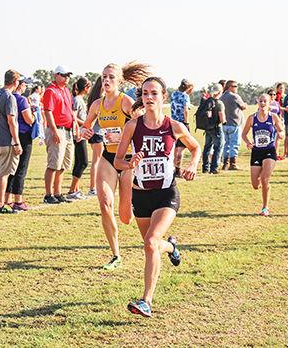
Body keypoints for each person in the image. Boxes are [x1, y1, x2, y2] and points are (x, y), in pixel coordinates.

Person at [114, 76, 201, 318]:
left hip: (166, 194)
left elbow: (195, 147)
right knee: (152, 245)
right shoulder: (133, 126)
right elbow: (118, 161)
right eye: (145, 93)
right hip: (141, 195)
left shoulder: (174, 126)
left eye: (154, 93)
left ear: (163, 97)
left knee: (151, 241)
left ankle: (146, 301)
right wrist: (130, 162)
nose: (149, 98)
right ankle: (171, 246)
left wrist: (193, 165)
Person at [80, 62, 150, 270]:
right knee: (105, 205)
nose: (106, 81)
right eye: (104, 77)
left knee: (126, 216)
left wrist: (121, 135)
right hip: (108, 159)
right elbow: (85, 128)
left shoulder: (125, 102)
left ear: (119, 80)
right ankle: (116, 255)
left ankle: (152, 241)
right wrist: (85, 132)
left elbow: (142, 128)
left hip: (128, 161)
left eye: (111, 77)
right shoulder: (96, 105)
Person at [241, 93, 284, 216]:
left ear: (270, 102)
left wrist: (280, 135)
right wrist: (249, 143)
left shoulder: (274, 117)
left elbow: (281, 130)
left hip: (269, 150)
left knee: (265, 179)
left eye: (265, 101)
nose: (263, 103)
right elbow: (243, 134)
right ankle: (262, 183)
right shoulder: (252, 118)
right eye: (261, 101)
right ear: (257, 102)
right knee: (255, 185)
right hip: (256, 151)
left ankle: (265, 207)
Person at [42, 66, 76, 204]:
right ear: (56, 75)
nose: (66, 78)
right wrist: (54, 130)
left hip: (67, 130)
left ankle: (58, 192)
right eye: (63, 75)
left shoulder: (66, 91)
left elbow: (71, 110)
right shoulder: (51, 91)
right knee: (53, 163)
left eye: (68, 75)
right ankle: (48, 194)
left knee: (63, 164)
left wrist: (76, 126)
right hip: (58, 129)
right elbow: (48, 111)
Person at [0, 69, 23, 213]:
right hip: (7, 141)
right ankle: (0, 205)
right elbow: (12, 121)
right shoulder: (10, 97)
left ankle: (0, 202)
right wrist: (16, 141)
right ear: (15, 82)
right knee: (4, 174)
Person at [5, 77, 36, 210]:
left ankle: (7, 198)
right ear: (20, 85)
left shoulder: (8, 97)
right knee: (21, 168)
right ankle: (18, 200)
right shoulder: (22, 99)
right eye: (25, 85)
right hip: (23, 135)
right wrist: (34, 115)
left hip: (10, 135)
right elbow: (28, 119)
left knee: (11, 168)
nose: (26, 88)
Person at [67, 77, 91, 199]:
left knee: (79, 162)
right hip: (78, 134)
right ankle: (72, 190)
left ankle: (75, 189)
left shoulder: (80, 99)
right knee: (83, 162)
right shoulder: (77, 100)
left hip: (82, 133)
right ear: (86, 87)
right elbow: (73, 117)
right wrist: (86, 123)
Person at [220, 80, 247, 170]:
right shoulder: (235, 96)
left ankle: (225, 163)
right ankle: (233, 163)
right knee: (234, 144)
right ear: (229, 87)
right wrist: (245, 105)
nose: (236, 88)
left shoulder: (222, 97)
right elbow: (243, 107)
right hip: (234, 123)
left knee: (226, 144)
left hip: (224, 124)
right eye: (235, 86)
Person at [170, 79, 193, 177]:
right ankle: (178, 169)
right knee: (181, 148)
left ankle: (173, 167)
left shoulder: (173, 94)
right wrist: (186, 122)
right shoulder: (185, 96)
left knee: (174, 148)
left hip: (173, 122)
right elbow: (185, 110)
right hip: (182, 123)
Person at [201, 83, 226, 174]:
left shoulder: (208, 101)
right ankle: (214, 168)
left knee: (207, 147)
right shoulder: (219, 103)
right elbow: (221, 116)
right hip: (217, 128)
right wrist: (224, 122)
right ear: (219, 92)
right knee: (218, 147)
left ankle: (205, 168)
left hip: (208, 128)